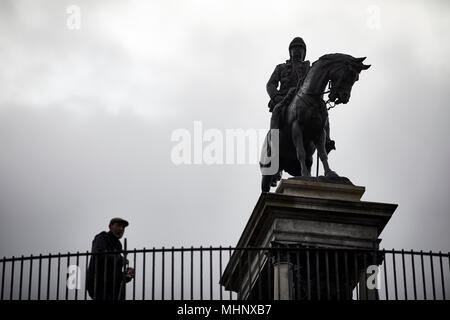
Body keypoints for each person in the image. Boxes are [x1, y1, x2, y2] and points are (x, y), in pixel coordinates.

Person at [86, 217, 135, 300]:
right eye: (118, 225)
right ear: (110, 227)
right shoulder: (102, 237)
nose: (121, 228)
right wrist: (119, 259)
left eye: (123, 227)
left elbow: (114, 274)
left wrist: (126, 275)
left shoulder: (117, 245)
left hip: (113, 290)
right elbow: (99, 254)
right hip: (100, 287)